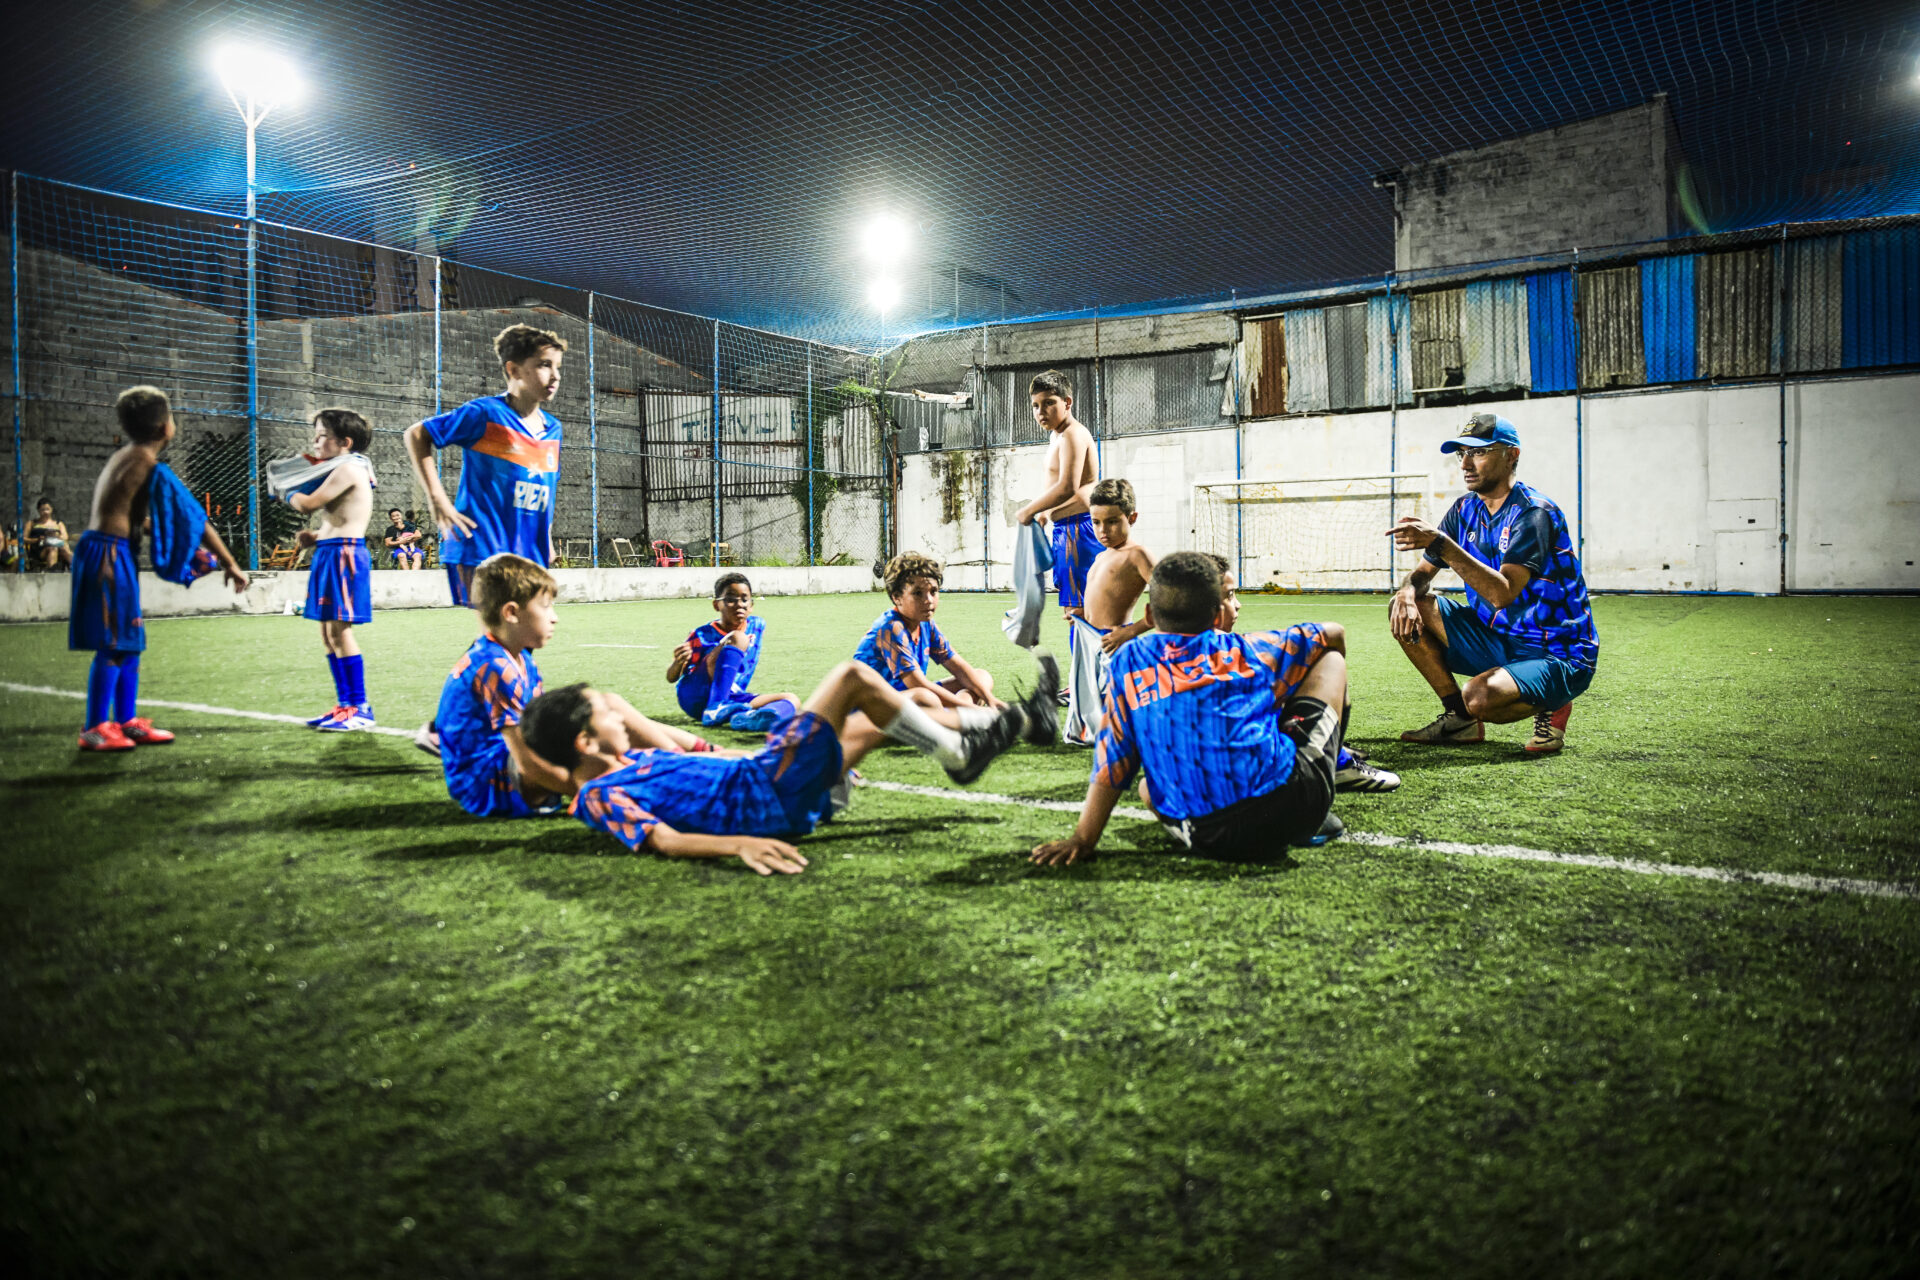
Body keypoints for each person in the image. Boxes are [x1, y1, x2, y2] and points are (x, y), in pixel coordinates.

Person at [520, 654, 1058, 874]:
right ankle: (960, 755)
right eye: (605, 714)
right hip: (769, 792)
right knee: (851, 678)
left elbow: (703, 759)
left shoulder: (632, 760)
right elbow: (662, 839)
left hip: (769, 778)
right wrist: (739, 845)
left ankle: (1027, 722)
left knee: (886, 718)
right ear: (587, 743)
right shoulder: (596, 797)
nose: (617, 716)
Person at [1030, 552, 1396, 868]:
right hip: (1294, 810)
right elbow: (1334, 633)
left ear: (1149, 614)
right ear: (1216, 613)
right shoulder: (1251, 650)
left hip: (1208, 837)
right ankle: (1332, 770)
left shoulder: (1129, 661)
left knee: (1146, 788)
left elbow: (1114, 760)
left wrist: (1082, 839)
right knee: (1329, 660)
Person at [436, 554, 712, 819]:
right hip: (486, 784)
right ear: (512, 613)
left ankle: (704, 758)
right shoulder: (495, 666)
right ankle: (687, 776)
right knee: (596, 740)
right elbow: (528, 762)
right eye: (545, 606)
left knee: (605, 710)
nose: (554, 617)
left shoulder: (517, 656)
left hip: (502, 766)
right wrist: (596, 795)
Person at [1386, 413, 1599, 755]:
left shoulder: (1534, 513)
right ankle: (1459, 720)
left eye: (1479, 452)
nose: (1466, 464)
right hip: (1499, 637)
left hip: (1557, 652)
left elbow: (1502, 593)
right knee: (1411, 608)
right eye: (1462, 454)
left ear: (1511, 455)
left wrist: (1442, 543)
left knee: (1479, 696)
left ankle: (1553, 700)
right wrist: (1407, 591)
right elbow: (1423, 573)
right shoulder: (1464, 509)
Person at [404, 323, 567, 756]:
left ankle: (510, 718)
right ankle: (443, 727)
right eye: (543, 366)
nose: (553, 375)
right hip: (482, 546)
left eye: (557, 367)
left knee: (519, 637)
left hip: (526, 552)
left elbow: (544, 487)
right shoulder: (485, 414)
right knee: (500, 636)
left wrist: (545, 538)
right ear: (513, 369)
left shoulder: (553, 429)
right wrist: (438, 500)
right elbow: (418, 434)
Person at [70, 386, 248, 752]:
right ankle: (94, 728)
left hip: (105, 549)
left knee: (128, 643)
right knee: (114, 644)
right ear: (164, 427)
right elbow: (195, 520)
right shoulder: (150, 466)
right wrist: (230, 564)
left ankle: (125, 721)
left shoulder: (124, 457)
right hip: (110, 556)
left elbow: (136, 519)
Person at [282, 409, 378, 731]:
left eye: (322, 435)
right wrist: (316, 536)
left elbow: (308, 504)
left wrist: (286, 491)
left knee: (340, 632)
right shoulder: (343, 468)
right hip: (329, 551)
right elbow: (340, 517)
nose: (315, 441)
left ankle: (360, 708)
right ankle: (345, 705)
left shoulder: (350, 467)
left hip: (344, 554)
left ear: (344, 442)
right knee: (327, 633)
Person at [1013, 369, 1100, 685]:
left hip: (1079, 531)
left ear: (1068, 402)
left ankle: (1087, 686)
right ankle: (1085, 684)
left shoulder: (1074, 434)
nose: (1040, 412)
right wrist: (1047, 514)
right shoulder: (1057, 435)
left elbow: (1068, 486)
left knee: (1081, 614)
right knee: (1075, 614)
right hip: (1067, 530)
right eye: (1035, 405)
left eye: (1048, 403)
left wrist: (1031, 508)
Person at [1062, 478, 1157, 745]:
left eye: (1113, 521)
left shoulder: (1138, 555)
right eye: (1096, 522)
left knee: (1120, 710)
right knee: (1095, 709)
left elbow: (1170, 601)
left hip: (1114, 643)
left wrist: (1131, 631)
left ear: (1132, 517)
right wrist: (1081, 612)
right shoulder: (1101, 556)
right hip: (1089, 641)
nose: (1103, 530)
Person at [854, 552, 1002, 711]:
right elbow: (917, 684)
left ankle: (955, 714)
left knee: (981, 677)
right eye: (918, 593)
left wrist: (991, 700)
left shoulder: (926, 624)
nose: (929, 600)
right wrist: (976, 709)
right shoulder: (890, 627)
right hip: (874, 708)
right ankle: (959, 714)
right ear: (897, 597)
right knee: (924, 698)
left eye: (933, 591)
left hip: (908, 698)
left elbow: (957, 666)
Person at [665, 572, 802, 731]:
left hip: (732, 697)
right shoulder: (702, 635)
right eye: (730, 599)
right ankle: (715, 707)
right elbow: (671, 677)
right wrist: (678, 662)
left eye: (745, 599)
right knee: (738, 638)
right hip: (696, 696)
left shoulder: (757, 625)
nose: (739, 604)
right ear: (717, 605)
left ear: (751, 606)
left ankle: (748, 719)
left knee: (791, 699)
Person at [28, 500, 73, 571]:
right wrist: (37, 539)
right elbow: (23, 538)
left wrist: (56, 535)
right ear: (38, 510)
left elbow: (65, 537)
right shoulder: (32, 523)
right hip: (40, 549)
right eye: (42, 510)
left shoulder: (58, 523)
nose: (45, 512)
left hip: (58, 546)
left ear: (51, 509)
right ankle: (53, 572)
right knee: (53, 548)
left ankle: (76, 570)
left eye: (47, 509)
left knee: (64, 548)